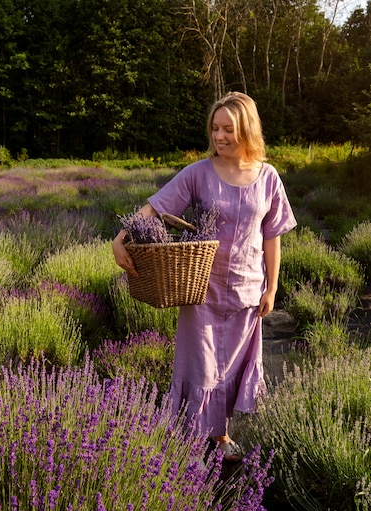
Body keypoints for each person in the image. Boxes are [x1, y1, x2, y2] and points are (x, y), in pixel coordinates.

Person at [112, 91, 297, 461]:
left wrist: (272, 287)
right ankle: (196, 441)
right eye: (215, 128)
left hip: (247, 289)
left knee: (232, 366)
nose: (220, 136)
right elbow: (155, 207)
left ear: (247, 129)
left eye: (228, 129)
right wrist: (121, 239)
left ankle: (222, 436)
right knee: (202, 366)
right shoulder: (198, 172)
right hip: (203, 288)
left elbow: (272, 235)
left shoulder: (268, 177)